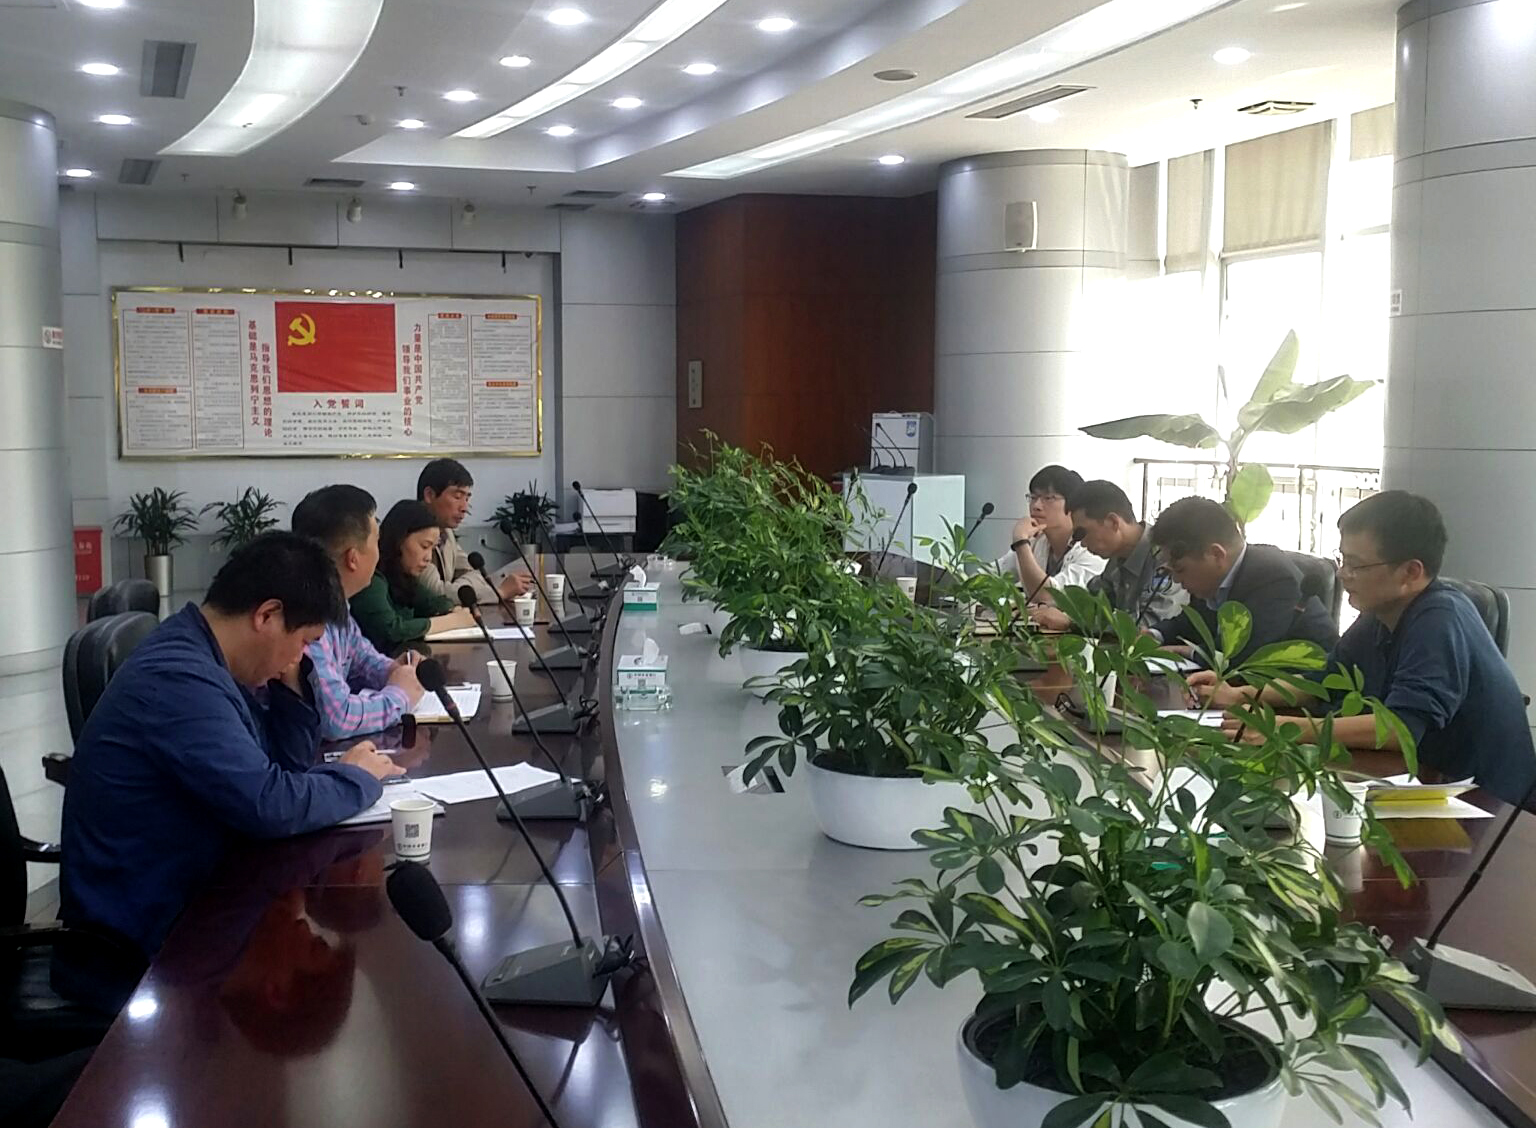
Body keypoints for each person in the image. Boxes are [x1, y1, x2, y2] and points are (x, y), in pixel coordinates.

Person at [57, 532, 403, 963]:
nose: (301, 656)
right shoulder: (180, 679)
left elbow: (283, 768)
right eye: (304, 642)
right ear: (267, 615)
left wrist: (291, 686)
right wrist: (356, 779)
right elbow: (269, 804)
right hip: (141, 946)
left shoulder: (211, 659)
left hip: (192, 903)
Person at [1194, 491, 1536, 806]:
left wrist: (1282, 729)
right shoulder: (1379, 614)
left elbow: (1399, 728)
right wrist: (1239, 695)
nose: (1343, 575)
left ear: (1410, 572)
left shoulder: (1440, 617)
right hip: (1415, 785)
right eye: (1342, 560)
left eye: (1356, 565)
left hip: (1489, 807)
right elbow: (1323, 682)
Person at [291, 484, 425, 739]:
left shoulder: (339, 604)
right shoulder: (307, 616)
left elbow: (361, 659)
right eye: (376, 542)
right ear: (353, 558)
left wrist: (395, 670)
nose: (380, 553)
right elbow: (337, 719)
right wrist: (400, 696)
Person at [1146, 496, 1336, 664]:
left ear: (1216, 554)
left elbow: (1244, 654)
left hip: (1303, 686)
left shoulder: (1275, 578)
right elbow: (1190, 623)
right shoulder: (1211, 583)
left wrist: (1189, 652)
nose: (1177, 579)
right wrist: (1154, 635)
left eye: (1180, 570)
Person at [1031, 480, 1189, 631]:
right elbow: (1091, 600)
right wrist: (1049, 607)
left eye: (1084, 533)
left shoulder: (1165, 556)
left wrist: (1072, 622)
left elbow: (1147, 628)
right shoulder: (1117, 557)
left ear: (1113, 522)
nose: (1083, 544)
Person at [350, 499, 476, 652]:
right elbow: (391, 630)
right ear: (399, 541)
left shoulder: (402, 576)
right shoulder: (370, 578)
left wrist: (452, 610)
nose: (428, 558)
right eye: (424, 546)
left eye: (432, 549)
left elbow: (434, 602)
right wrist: (450, 621)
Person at [417, 458, 531, 604]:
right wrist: (500, 592)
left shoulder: (446, 533)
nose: (464, 508)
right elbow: (437, 594)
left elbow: (474, 573)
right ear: (429, 495)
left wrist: (457, 588)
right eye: (457, 497)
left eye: (467, 499)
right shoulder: (412, 535)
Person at [992, 465, 1104, 601]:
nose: (1036, 506)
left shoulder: (1091, 549)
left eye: (1049, 498)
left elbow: (1049, 597)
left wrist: (1021, 543)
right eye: (1033, 497)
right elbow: (990, 575)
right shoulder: (1037, 541)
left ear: (1072, 504)